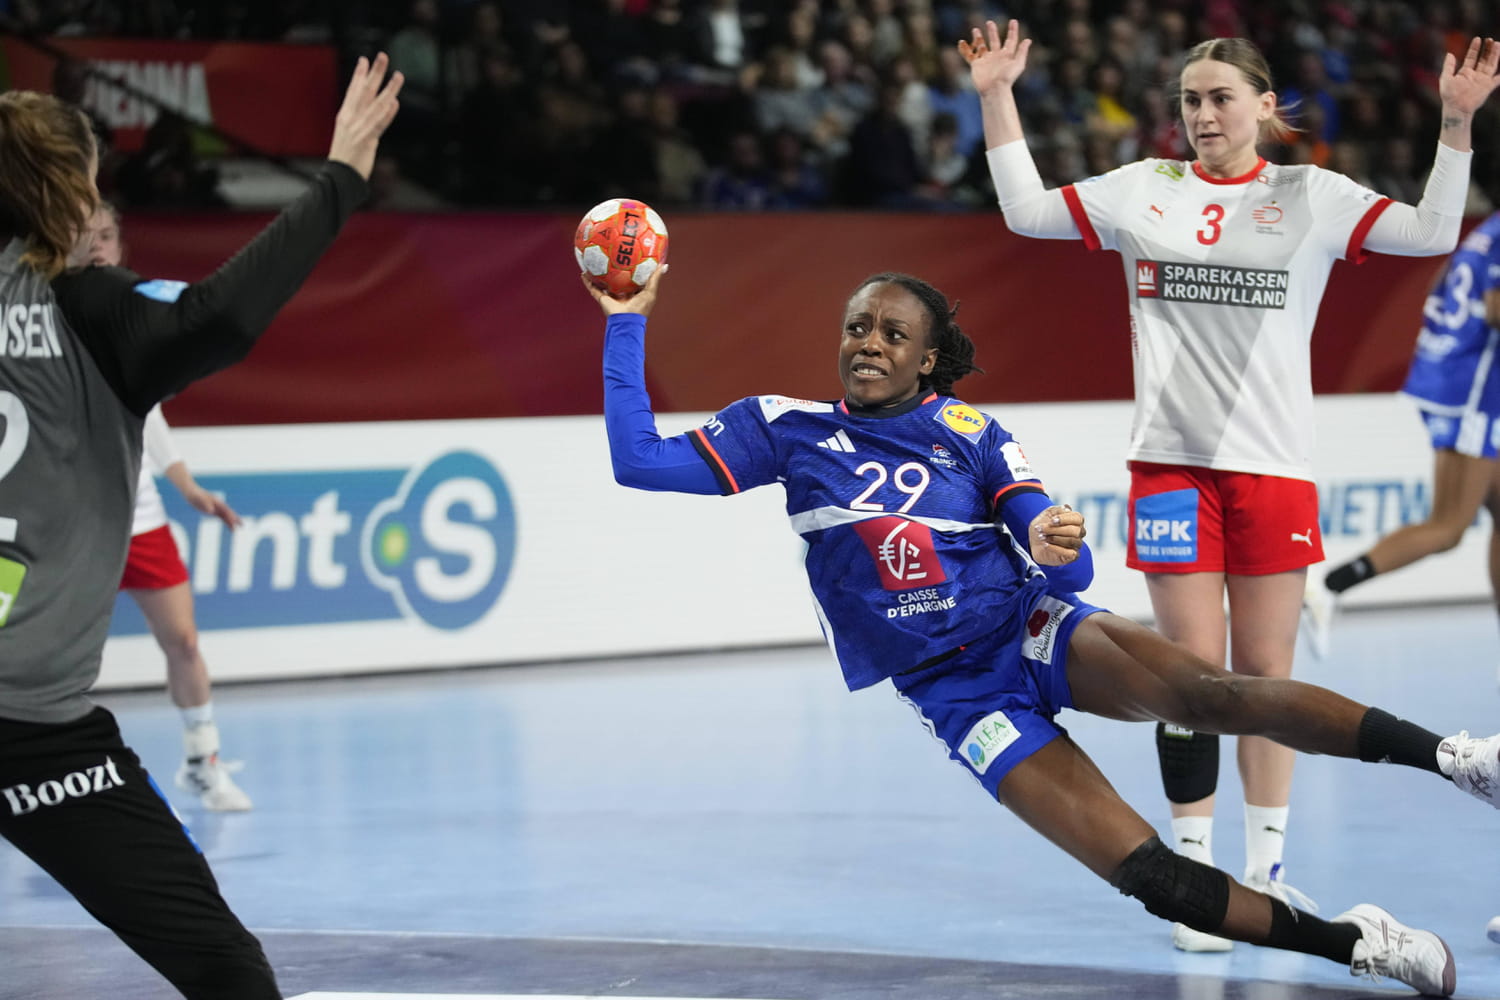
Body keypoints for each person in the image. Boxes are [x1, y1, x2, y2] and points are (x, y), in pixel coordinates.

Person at [587, 263, 1500, 997]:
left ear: (929, 362)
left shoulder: (970, 432)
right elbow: (639, 461)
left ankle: (1456, 759)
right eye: (857, 328)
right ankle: (1359, 944)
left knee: (1204, 694)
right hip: (956, 696)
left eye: (892, 333)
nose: (867, 344)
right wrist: (627, 318)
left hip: (1027, 627)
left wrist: (1050, 540)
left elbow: (1064, 561)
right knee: (1151, 880)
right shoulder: (783, 431)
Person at [961, 18, 1500, 952]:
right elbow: (1024, 211)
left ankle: (1270, 873)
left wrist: (1455, 128)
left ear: (1265, 106)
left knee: (1266, 678)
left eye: (1220, 98)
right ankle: (1199, 874)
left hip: (1275, 468)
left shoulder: (1310, 194)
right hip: (1169, 463)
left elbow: (1432, 231)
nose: (1203, 115)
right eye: (1189, 101)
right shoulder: (1145, 188)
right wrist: (995, 95)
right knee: (1189, 679)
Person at [0, 54, 402, 998]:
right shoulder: (86, 306)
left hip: (33, 715)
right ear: (69, 190)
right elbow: (217, 317)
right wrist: (340, 178)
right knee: (222, 968)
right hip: (32, 729)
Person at [73, 203, 252, 812]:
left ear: (121, 249)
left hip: (139, 518)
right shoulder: (40, 314)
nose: (96, 248)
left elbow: (149, 417)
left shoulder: (128, 318)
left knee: (183, 641)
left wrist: (188, 487)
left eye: (105, 237)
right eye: (83, 238)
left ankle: (203, 762)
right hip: (61, 526)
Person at [1304, 211, 1500, 658]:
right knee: (1448, 527)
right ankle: (1330, 584)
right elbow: (1495, 307)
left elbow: (1437, 285)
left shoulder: (1488, 230)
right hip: (1474, 392)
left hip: (1458, 379)